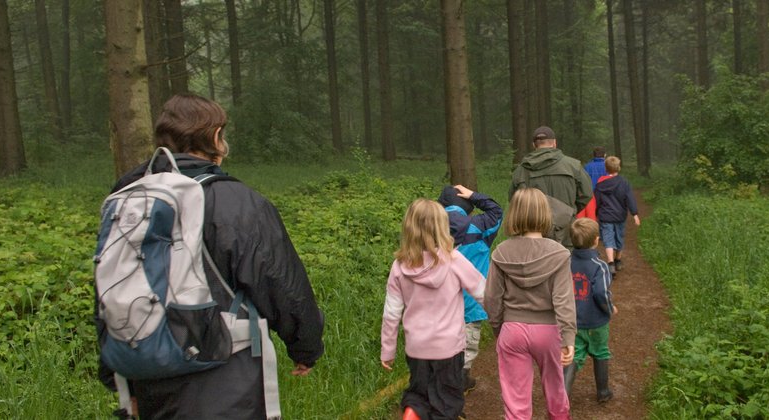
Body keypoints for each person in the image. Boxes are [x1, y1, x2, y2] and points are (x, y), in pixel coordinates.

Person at [99, 93, 325, 418]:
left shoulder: (126, 197)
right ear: (216, 137)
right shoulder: (236, 201)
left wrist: (117, 372)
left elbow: (108, 287)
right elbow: (281, 282)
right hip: (224, 377)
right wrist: (306, 347)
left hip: (144, 373)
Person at [380, 199, 487, 420]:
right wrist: (502, 321)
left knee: (419, 393)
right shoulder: (454, 260)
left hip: (417, 348)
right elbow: (483, 293)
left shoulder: (399, 266)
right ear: (442, 227)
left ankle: (412, 411)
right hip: (449, 348)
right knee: (447, 402)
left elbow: (391, 313)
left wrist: (388, 350)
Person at [485, 188, 576, 420]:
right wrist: (568, 338)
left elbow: (492, 299)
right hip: (548, 331)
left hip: (512, 330)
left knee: (515, 402)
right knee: (556, 390)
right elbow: (563, 300)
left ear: (514, 214)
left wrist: (499, 329)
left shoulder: (501, 253)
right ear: (545, 214)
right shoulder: (559, 254)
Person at [437, 184, 503, 394]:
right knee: (467, 344)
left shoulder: (429, 227)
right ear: (469, 207)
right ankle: (458, 382)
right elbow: (496, 211)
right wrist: (474, 195)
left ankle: (448, 379)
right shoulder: (479, 226)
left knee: (443, 343)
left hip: (439, 302)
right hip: (471, 302)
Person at [564, 218, 616, 403]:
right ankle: (603, 392)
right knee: (600, 352)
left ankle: (562, 398)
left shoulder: (566, 263)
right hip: (596, 321)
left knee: (573, 356)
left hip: (573, 321)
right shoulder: (600, 266)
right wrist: (609, 309)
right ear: (596, 240)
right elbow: (601, 293)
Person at [510, 126, 593, 213]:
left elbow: (514, 200)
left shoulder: (520, 170)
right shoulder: (574, 166)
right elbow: (586, 194)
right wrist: (570, 212)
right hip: (566, 224)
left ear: (534, 145)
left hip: (533, 224)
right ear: (554, 143)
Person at [593, 156, 640, 274]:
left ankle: (610, 264)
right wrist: (634, 214)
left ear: (606, 168)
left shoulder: (600, 184)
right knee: (619, 237)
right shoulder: (624, 182)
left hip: (605, 216)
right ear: (618, 168)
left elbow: (596, 201)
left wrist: (595, 214)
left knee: (608, 239)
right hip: (620, 216)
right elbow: (630, 198)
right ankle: (618, 260)